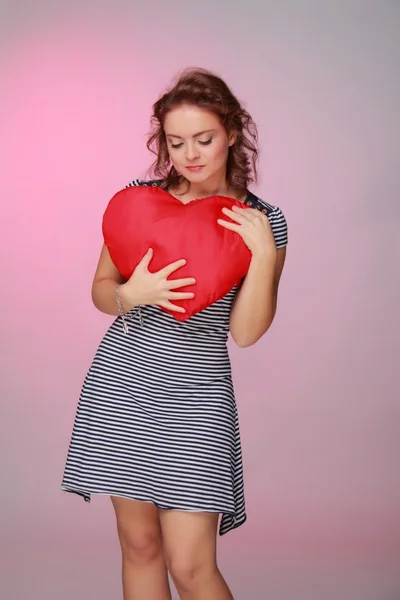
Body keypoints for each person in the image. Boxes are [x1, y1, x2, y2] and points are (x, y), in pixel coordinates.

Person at [61, 67, 288, 600]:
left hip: (196, 400)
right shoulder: (137, 203)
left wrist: (262, 257)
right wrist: (130, 296)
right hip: (121, 387)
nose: (190, 154)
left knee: (191, 566)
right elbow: (101, 290)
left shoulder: (262, 220)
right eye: (176, 141)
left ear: (232, 133)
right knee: (139, 547)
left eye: (204, 139)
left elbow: (248, 332)